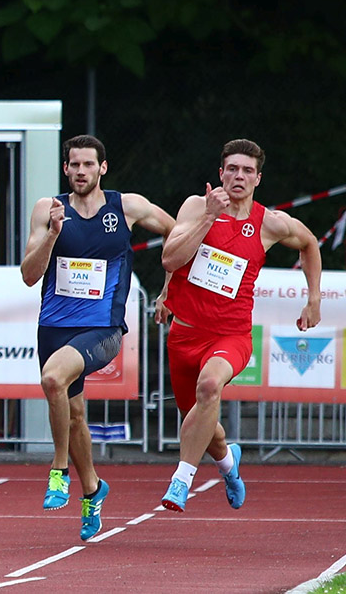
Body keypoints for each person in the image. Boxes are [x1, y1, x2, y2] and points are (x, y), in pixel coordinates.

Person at [21, 134, 175, 541]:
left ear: (102, 168)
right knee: (73, 416)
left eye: (88, 164)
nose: (80, 171)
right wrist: (52, 235)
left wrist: (168, 289)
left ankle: (58, 470)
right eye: (74, 165)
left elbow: (177, 237)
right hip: (53, 327)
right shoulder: (48, 209)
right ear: (66, 168)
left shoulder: (126, 206)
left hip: (103, 328)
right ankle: (92, 489)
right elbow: (29, 274)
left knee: (53, 379)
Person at [159, 139, 321, 512]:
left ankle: (181, 480)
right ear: (220, 173)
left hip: (230, 335)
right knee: (201, 421)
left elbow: (309, 243)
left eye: (247, 171)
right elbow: (170, 259)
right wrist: (208, 218)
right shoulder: (196, 207)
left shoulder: (270, 223)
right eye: (232, 168)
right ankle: (229, 463)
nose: (238, 176)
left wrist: (313, 298)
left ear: (257, 178)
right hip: (184, 334)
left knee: (210, 385)